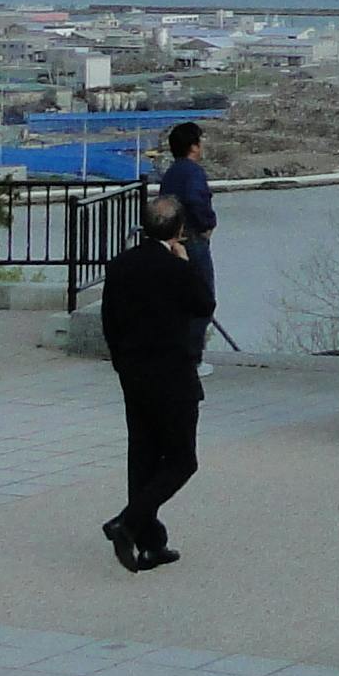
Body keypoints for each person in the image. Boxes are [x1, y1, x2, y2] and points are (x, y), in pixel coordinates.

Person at [99, 194, 213, 572]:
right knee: (182, 459)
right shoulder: (176, 268)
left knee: (144, 455)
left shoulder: (120, 265)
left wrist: (120, 363)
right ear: (179, 229)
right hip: (173, 373)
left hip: (133, 372)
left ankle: (150, 543)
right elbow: (203, 305)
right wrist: (187, 263)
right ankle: (128, 524)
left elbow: (109, 320)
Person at [158, 121, 218, 374]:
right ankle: (193, 359)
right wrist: (207, 223)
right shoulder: (194, 173)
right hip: (192, 240)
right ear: (193, 146)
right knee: (203, 299)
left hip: (173, 241)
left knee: (178, 301)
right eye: (200, 141)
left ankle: (176, 355)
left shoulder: (171, 173)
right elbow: (195, 199)